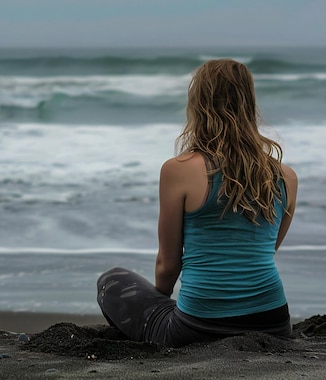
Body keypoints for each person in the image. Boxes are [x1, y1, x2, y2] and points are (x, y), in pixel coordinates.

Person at [97, 59, 298, 347]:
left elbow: (168, 264)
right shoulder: (286, 177)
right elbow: (264, 252)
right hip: (275, 324)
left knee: (111, 280)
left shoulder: (178, 170)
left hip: (198, 327)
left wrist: (158, 303)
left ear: (198, 103)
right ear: (249, 103)